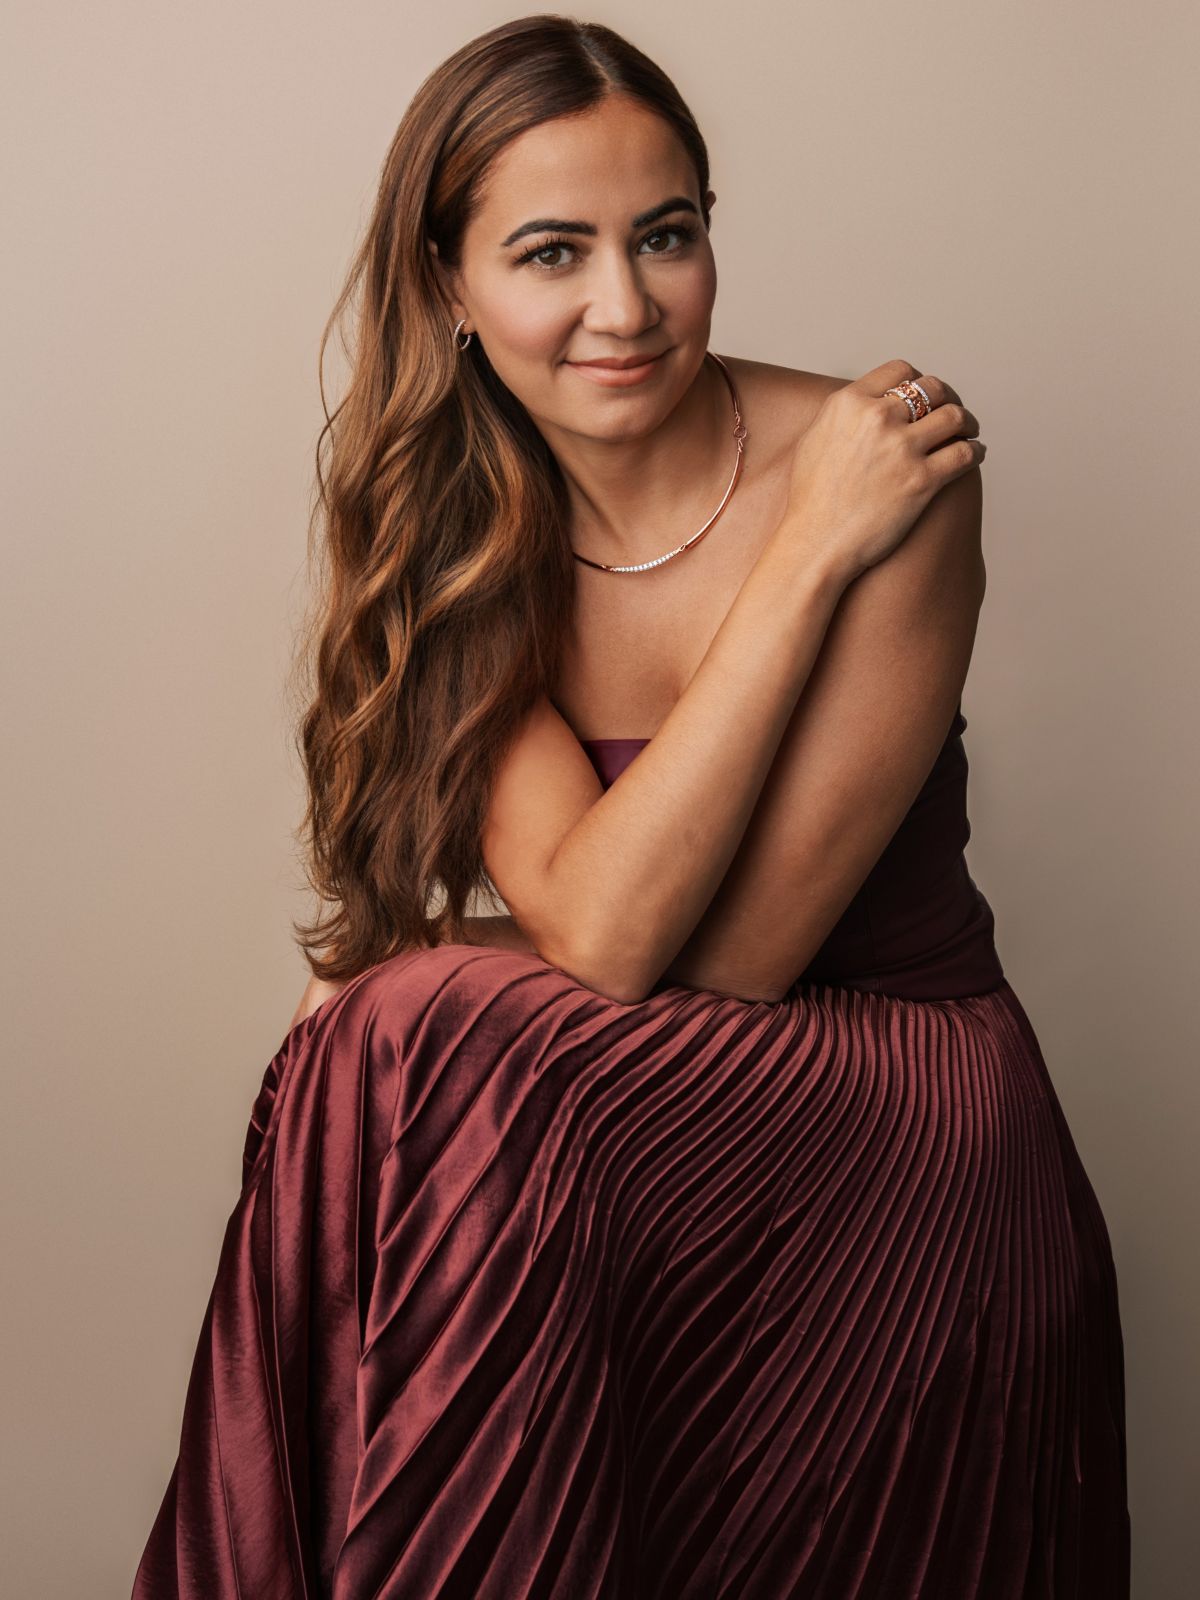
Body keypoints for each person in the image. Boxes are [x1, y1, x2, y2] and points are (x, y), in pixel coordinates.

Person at [131, 15, 1130, 1598]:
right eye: (551, 251)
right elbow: (601, 930)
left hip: (904, 1125)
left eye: (668, 236)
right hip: (618, 1145)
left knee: (402, 1025)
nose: (626, 306)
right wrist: (806, 563)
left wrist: (810, 538)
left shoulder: (890, 464)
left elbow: (729, 958)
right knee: (399, 1030)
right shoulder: (455, 536)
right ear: (450, 287)